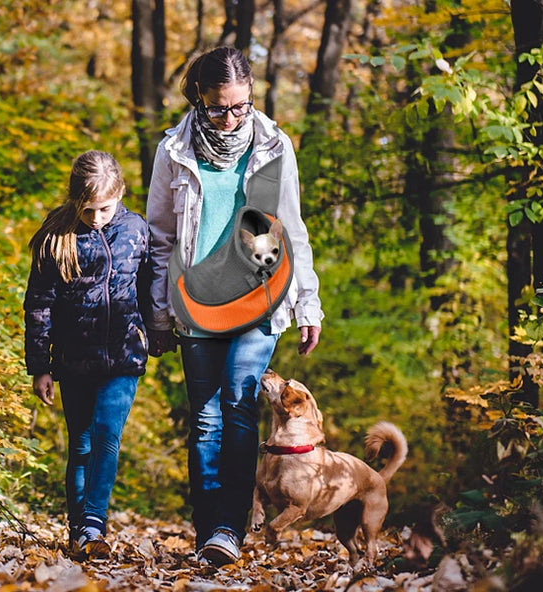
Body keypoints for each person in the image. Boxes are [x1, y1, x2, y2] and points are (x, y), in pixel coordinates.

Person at [144, 46, 324, 566]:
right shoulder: (173, 151)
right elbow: (159, 237)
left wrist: (308, 302)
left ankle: (228, 530)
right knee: (204, 419)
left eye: (240, 106)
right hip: (196, 302)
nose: (230, 118)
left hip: (259, 299)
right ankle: (208, 531)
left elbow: (292, 227)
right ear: (199, 99)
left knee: (239, 406)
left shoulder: (273, 146)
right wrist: (158, 311)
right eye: (218, 108)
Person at [25, 150, 150, 560]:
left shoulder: (136, 230)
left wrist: (158, 332)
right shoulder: (56, 236)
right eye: (88, 209)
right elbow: (39, 305)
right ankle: (78, 530)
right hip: (74, 358)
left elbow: (150, 289)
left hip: (124, 355)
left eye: (104, 209)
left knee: (106, 435)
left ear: (120, 194)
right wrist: (40, 366)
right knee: (80, 444)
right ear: (74, 200)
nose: (96, 218)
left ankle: (94, 524)